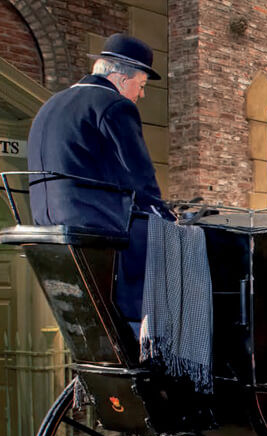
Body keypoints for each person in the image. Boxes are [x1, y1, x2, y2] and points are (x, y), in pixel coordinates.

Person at [27, 33, 172, 323]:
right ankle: (150, 330)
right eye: (141, 86)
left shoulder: (52, 104)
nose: (141, 95)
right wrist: (165, 215)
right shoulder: (116, 106)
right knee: (165, 242)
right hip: (93, 222)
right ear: (121, 78)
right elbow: (140, 175)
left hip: (47, 219)